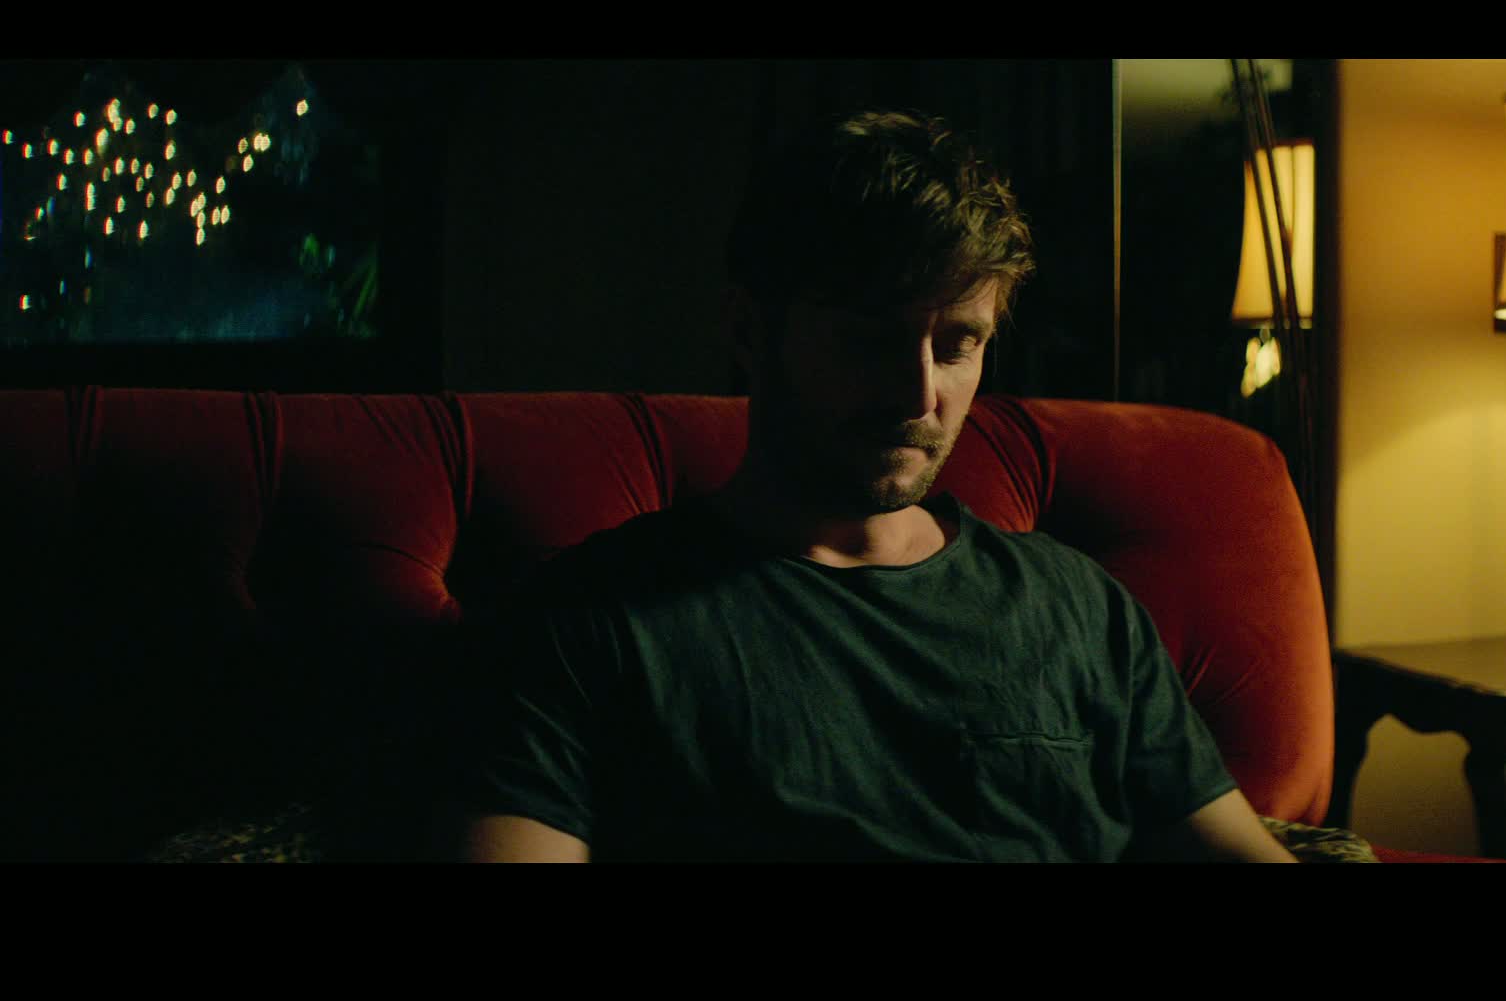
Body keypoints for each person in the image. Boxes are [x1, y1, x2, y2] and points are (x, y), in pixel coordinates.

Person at [451, 110, 1296, 862]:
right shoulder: (589, 624)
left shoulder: (1080, 607)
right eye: (868, 341)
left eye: (957, 344)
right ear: (748, 330)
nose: (919, 394)